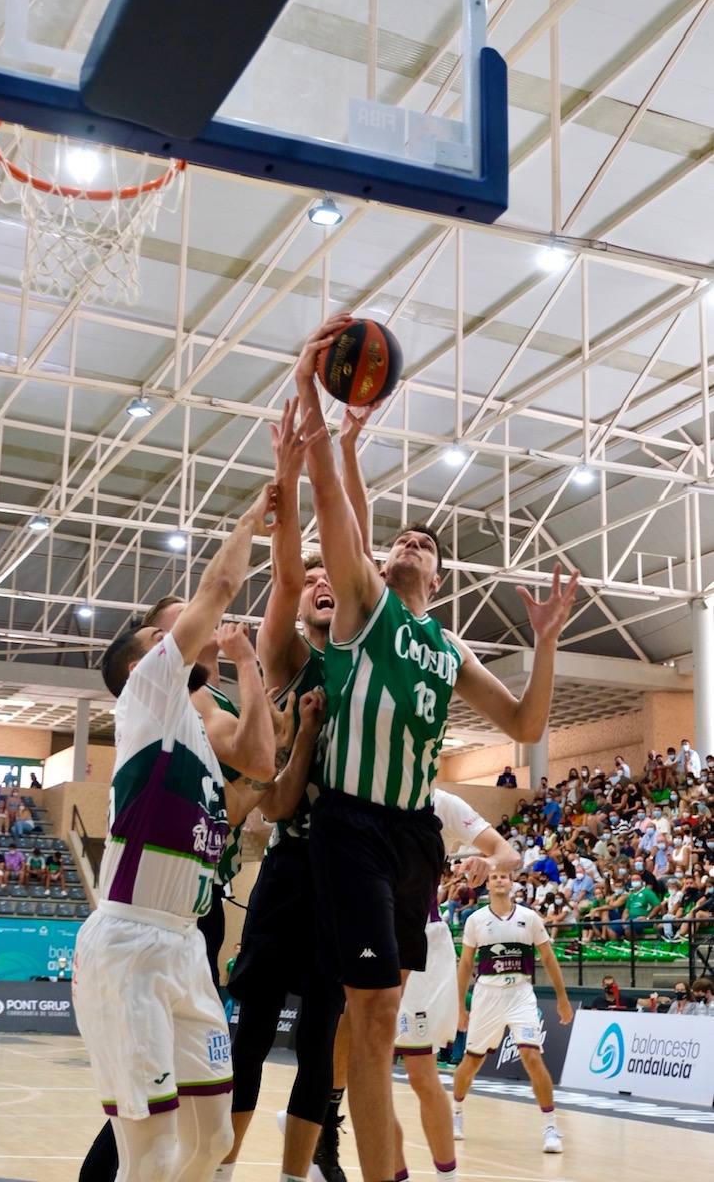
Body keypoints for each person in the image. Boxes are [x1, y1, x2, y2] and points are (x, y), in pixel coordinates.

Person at [295, 314, 578, 1182]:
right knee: (372, 1013)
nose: (415, 541)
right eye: (403, 538)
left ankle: (343, 1144)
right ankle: (354, 1161)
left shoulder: (448, 647)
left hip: (412, 834)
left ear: (441, 578)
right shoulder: (362, 607)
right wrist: (326, 419)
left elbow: (528, 729)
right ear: (381, 565)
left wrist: (544, 641)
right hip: (347, 820)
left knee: (380, 1026)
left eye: (429, 544)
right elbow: (339, 505)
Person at [73, 485, 277, 1182]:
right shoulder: (147, 697)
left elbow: (261, 763)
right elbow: (219, 585)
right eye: (160, 636)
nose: (179, 634)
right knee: (151, 1152)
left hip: (187, 948)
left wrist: (250, 671)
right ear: (141, 665)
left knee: (212, 1139)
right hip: (129, 943)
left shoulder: (196, 729)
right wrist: (254, 515)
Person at [219, 396, 373, 1182]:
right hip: (289, 857)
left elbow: (358, 551)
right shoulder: (286, 659)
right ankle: (220, 1165)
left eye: (329, 574)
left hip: (347, 871)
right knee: (249, 1033)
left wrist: (344, 455)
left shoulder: (363, 643)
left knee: (321, 1035)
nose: (320, 579)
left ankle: (295, 1174)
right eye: (311, 576)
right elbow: (284, 572)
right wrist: (289, 476)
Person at [393, 791, 520, 1182]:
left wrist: (489, 861)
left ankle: (446, 1176)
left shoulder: (440, 802)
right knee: (366, 1072)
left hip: (421, 943)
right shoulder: (360, 787)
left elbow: (509, 854)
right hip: (364, 932)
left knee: (420, 1072)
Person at [452, 871, 573, 1155]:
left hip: (520, 993)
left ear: (512, 883)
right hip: (487, 997)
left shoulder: (529, 918)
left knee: (531, 1056)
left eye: (504, 876)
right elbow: (466, 964)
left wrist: (562, 997)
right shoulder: (475, 920)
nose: (499, 880)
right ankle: (456, 1111)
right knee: (472, 1062)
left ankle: (550, 1126)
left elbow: (548, 957)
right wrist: (460, 1006)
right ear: (487, 884)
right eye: (493, 876)